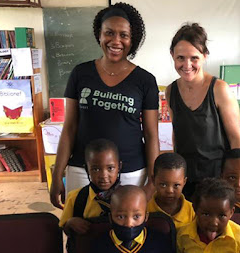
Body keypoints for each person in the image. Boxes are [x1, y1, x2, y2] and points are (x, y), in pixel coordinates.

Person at [50, 2, 159, 209]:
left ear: (132, 39)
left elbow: (152, 135)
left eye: (124, 35)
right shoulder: (80, 73)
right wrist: (57, 175)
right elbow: (70, 127)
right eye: (109, 33)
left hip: (131, 173)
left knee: (126, 234)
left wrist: (152, 182)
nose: (116, 41)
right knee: (82, 232)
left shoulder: (145, 80)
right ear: (99, 35)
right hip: (83, 169)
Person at [167, 23, 240, 198]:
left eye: (194, 58)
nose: (187, 65)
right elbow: (176, 134)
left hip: (217, 180)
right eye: (180, 58)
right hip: (185, 179)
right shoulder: (171, 91)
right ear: (172, 55)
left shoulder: (219, 89)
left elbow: (236, 139)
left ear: (204, 56)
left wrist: (238, 180)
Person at [83, 185, 183, 253]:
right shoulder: (100, 244)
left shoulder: (158, 242)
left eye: (136, 217)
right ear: (110, 217)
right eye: (121, 216)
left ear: (146, 217)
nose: (129, 224)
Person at [59, 138, 120, 234]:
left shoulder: (130, 197)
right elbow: (65, 230)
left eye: (110, 168)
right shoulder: (75, 198)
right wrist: (70, 223)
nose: (104, 175)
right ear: (87, 170)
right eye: (96, 169)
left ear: (119, 167)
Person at [147, 152, 195, 229]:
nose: (169, 191)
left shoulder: (192, 211)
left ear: (184, 182)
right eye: (163, 185)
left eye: (176, 185)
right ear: (153, 180)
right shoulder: (145, 211)